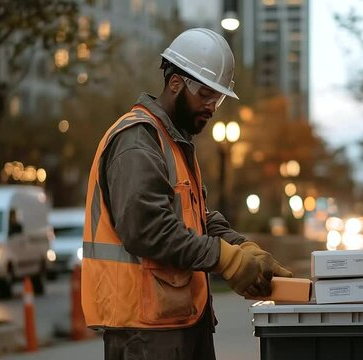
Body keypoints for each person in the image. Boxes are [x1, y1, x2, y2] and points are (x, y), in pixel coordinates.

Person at [82, 28, 293, 360]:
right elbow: (148, 229)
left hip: (175, 324)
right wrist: (226, 259)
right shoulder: (138, 141)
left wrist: (243, 248)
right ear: (176, 84)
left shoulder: (173, 144)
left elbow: (198, 220)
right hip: (145, 334)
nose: (212, 107)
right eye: (206, 95)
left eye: (218, 98)